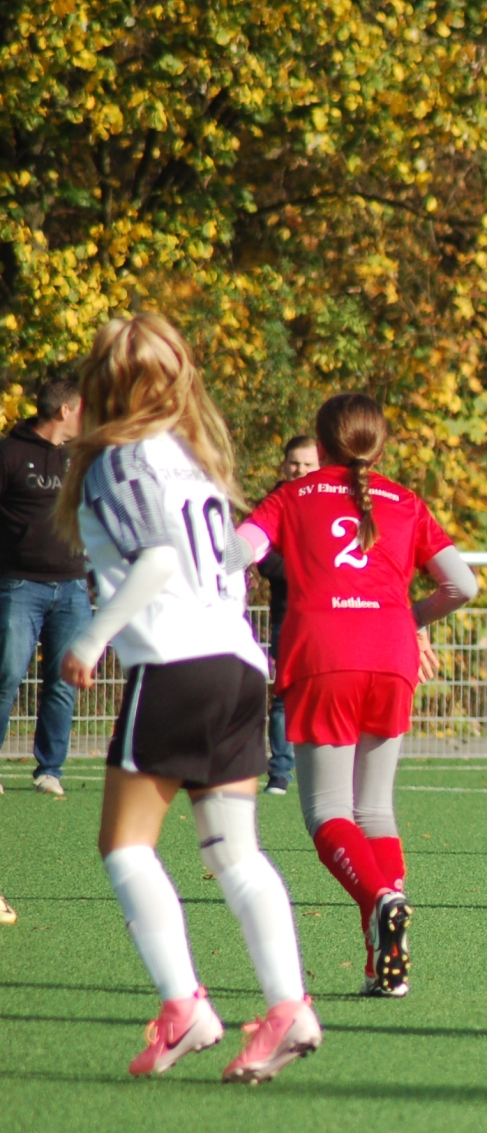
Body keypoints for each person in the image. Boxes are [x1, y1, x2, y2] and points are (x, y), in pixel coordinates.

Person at [55, 313, 318, 1081]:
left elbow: (159, 561)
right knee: (235, 852)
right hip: (238, 664)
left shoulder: (118, 458)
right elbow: (226, 565)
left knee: (125, 846)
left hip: (177, 664)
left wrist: (90, 639)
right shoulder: (191, 460)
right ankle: (288, 1008)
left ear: (102, 382)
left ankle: (184, 1008)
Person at [238, 393, 477, 998]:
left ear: (320, 445)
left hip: (324, 653)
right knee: (374, 810)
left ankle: (380, 899)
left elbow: (235, 551)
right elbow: (463, 585)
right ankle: (382, 967)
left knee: (328, 812)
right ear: (381, 444)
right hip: (392, 654)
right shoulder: (406, 500)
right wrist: (407, 619)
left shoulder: (293, 495)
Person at [0, 379, 91, 797]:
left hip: (72, 587)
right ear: (64, 410)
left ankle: (49, 769)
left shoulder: (80, 458)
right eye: (83, 409)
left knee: (63, 681)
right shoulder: (9, 454)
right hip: (19, 585)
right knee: (6, 676)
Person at [253, 435, 321, 796]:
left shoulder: (332, 503)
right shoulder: (274, 503)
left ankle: (328, 769)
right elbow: (263, 558)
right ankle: (280, 771)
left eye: (308, 464)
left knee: (328, 690)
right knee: (285, 694)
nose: (301, 470)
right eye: (295, 463)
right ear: (284, 465)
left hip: (331, 615)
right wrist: (307, 570)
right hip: (288, 614)